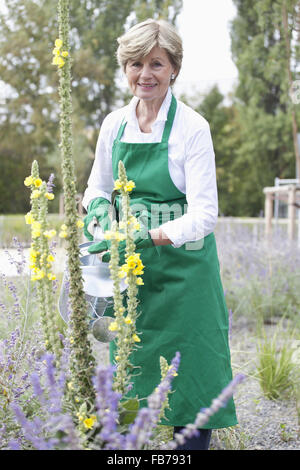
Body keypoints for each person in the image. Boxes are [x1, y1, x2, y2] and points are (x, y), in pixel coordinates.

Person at [82, 18, 237, 450]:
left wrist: (146, 237)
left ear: (174, 69)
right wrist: (97, 211)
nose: (144, 74)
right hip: (133, 280)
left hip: (187, 275)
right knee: (131, 376)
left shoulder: (192, 127)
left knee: (192, 383)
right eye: (134, 64)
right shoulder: (114, 125)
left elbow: (206, 214)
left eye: (156, 63)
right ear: (124, 68)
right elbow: (97, 185)